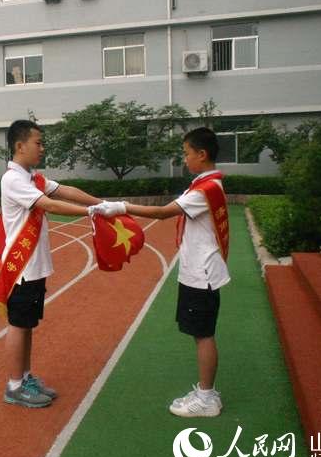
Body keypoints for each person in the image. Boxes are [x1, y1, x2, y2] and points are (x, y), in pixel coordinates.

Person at [97, 127, 230, 418]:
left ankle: (207, 398)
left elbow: (162, 213)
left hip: (201, 272)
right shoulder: (206, 185)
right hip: (200, 269)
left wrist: (119, 206)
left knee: (203, 334)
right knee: (200, 332)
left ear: (202, 154)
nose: (185, 159)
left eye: (186, 154)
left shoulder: (206, 190)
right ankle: (206, 391)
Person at [0, 120, 103, 408]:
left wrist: (100, 202)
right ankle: (15, 385)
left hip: (35, 265)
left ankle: (25, 377)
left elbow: (64, 191)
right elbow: (50, 205)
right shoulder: (13, 180)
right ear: (20, 146)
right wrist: (91, 212)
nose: (42, 148)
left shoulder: (33, 179)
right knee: (18, 324)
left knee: (28, 324)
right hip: (22, 268)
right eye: (38, 143)